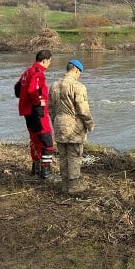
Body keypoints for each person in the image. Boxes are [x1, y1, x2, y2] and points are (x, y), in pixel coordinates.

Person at [48, 59, 95, 195]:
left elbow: (50, 108)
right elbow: (83, 110)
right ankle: (73, 186)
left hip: (59, 123)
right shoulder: (78, 87)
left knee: (63, 155)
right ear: (76, 70)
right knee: (74, 155)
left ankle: (64, 184)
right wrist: (90, 124)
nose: (80, 75)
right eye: (80, 72)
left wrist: (55, 121)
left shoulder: (54, 85)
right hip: (74, 125)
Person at [15, 49, 55, 180]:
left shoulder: (27, 71)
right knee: (47, 140)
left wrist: (25, 99)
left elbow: (17, 88)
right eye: (49, 61)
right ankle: (46, 172)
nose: (49, 64)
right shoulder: (38, 73)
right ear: (45, 60)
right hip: (37, 112)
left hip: (27, 112)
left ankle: (36, 168)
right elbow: (32, 90)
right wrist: (39, 102)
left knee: (35, 139)